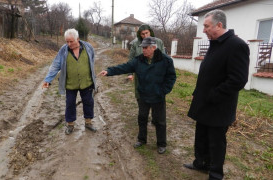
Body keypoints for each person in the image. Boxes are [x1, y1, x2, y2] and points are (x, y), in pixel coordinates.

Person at [183, 9, 250, 180]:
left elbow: (238, 80)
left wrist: (213, 95)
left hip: (219, 106)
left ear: (219, 25)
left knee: (216, 142)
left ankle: (215, 174)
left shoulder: (237, 45)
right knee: (201, 136)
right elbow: (208, 74)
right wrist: (196, 93)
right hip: (204, 102)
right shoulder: (215, 43)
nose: (203, 30)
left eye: (206, 26)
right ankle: (200, 163)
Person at [99, 37, 176, 154]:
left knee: (160, 121)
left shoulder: (166, 60)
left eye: (145, 48)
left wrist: (163, 91)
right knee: (142, 118)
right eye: (142, 48)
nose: (143, 50)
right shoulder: (138, 60)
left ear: (153, 48)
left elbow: (171, 77)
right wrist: (109, 71)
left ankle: (161, 144)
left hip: (158, 96)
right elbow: (124, 67)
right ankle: (141, 140)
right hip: (144, 95)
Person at [42, 28, 97, 135]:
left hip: (86, 82)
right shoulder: (64, 50)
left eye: (71, 41)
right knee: (70, 104)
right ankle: (70, 124)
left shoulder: (88, 47)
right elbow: (56, 65)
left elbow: (92, 60)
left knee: (88, 102)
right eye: (67, 41)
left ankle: (88, 122)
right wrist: (48, 79)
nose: (69, 44)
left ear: (78, 39)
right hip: (70, 84)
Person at [128, 24, 165, 125]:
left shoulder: (158, 42)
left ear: (150, 32)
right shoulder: (136, 44)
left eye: (146, 33)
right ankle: (143, 115)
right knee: (140, 95)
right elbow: (131, 59)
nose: (145, 35)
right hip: (140, 76)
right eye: (142, 34)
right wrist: (130, 73)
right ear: (140, 35)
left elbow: (163, 57)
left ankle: (155, 117)